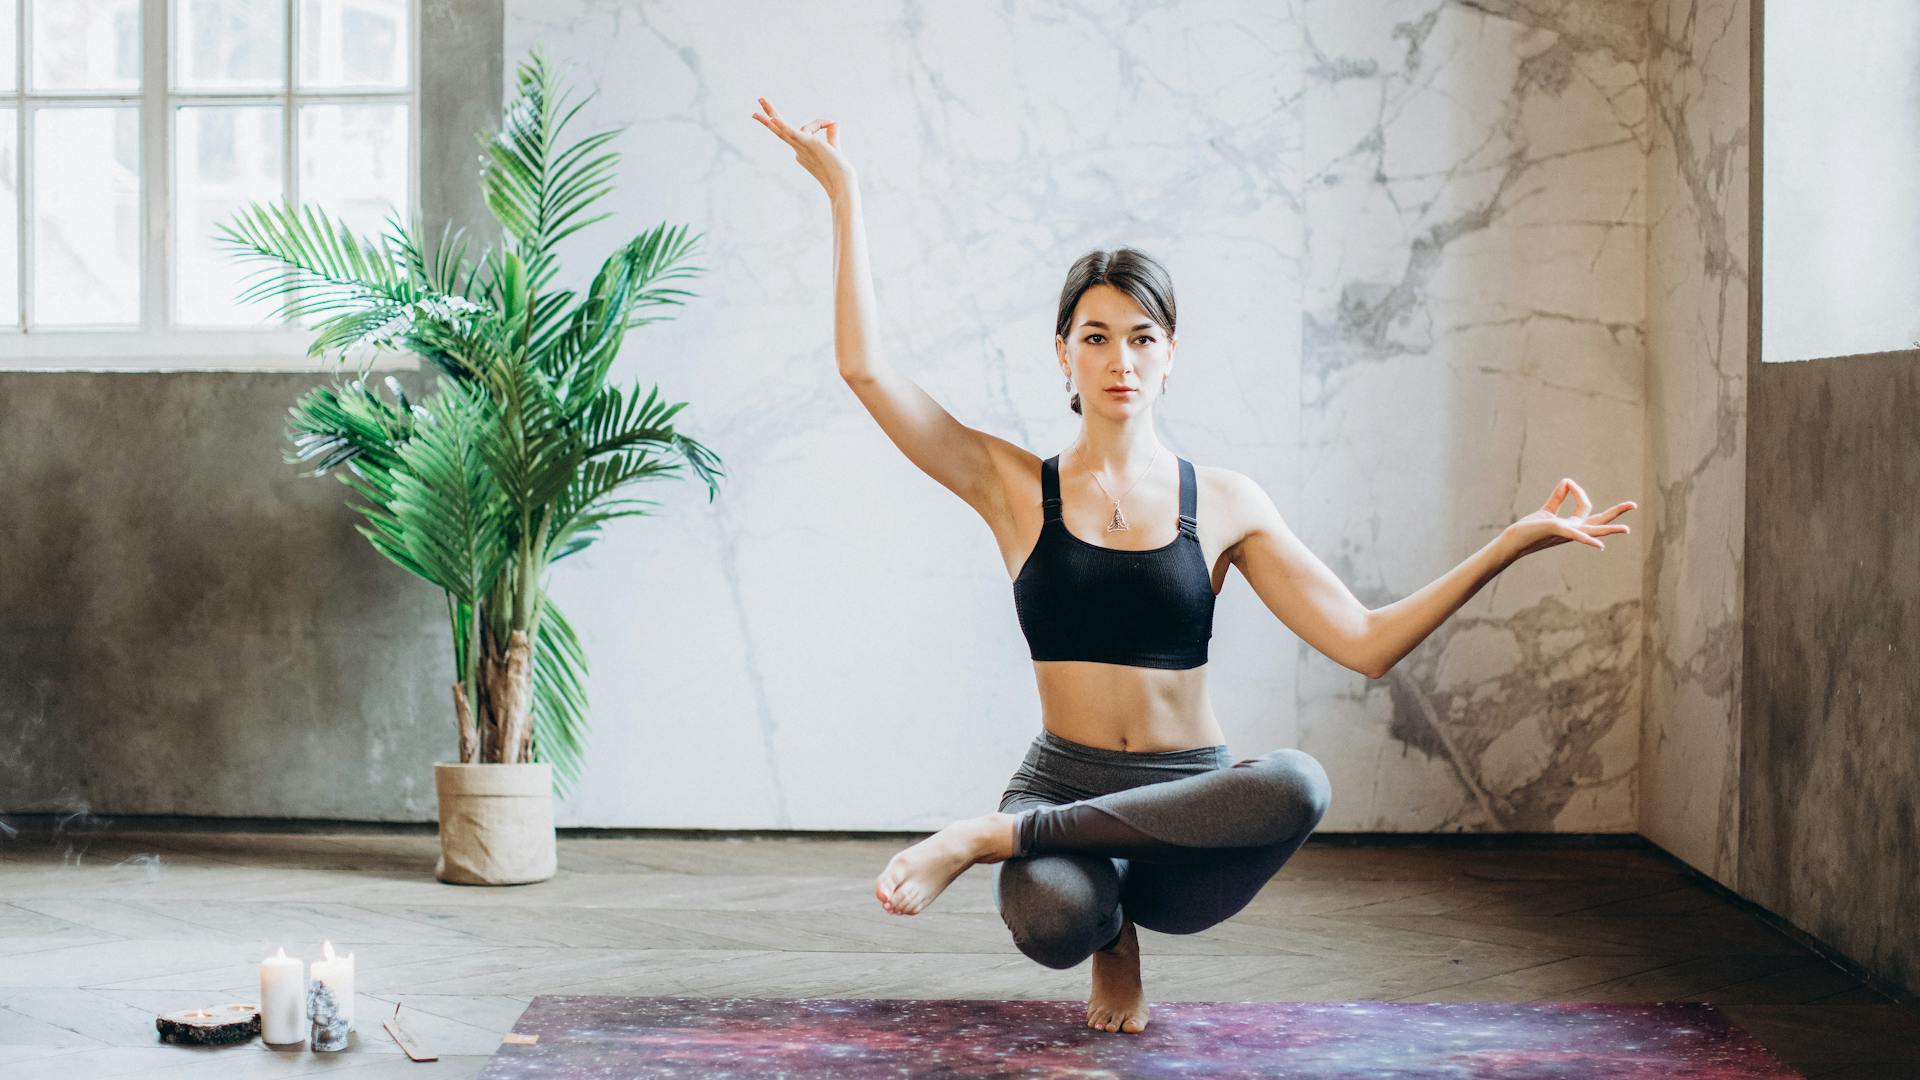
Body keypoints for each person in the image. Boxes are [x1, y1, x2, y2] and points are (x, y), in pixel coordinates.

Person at [750, 96, 1638, 1035]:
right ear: (1064, 354)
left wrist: (1508, 544)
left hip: (1189, 804)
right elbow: (867, 371)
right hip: (1063, 783)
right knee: (1052, 916)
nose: (1119, 359)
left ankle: (984, 837)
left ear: (1171, 355)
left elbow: (1367, 643)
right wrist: (844, 192)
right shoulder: (1013, 485)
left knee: (1298, 783)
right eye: (1096, 337)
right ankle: (1103, 930)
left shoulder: (1224, 502)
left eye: (1142, 338)